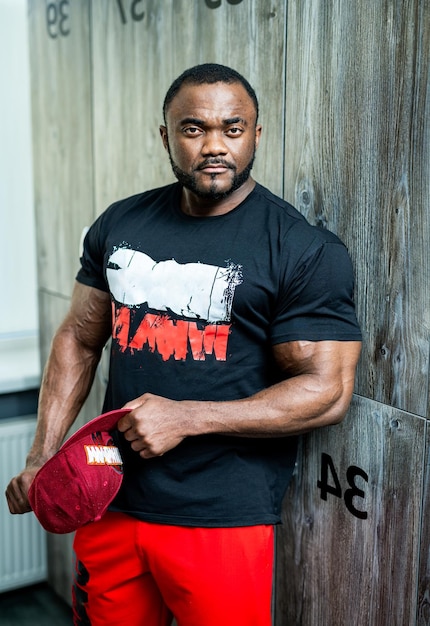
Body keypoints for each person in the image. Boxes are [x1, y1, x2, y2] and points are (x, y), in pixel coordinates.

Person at [6, 63, 362, 625]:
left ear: (256, 135)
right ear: (166, 135)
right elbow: (79, 336)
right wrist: (42, 452)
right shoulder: (120, 224)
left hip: (222, 517)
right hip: (111, 494)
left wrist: (186, 418)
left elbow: (327, 391)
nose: (215, 145)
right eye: (194, 129)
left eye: (233, 128)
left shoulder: (302, 249)